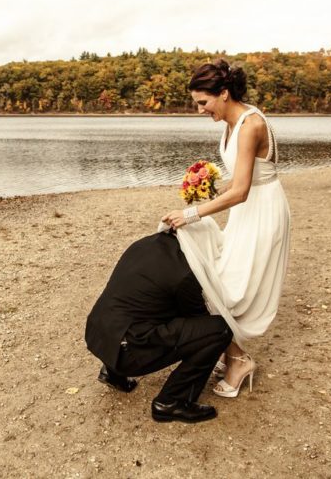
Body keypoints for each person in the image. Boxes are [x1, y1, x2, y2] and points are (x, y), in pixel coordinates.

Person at [160, 59, 291, 398]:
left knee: (228, 287)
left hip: (262, 211)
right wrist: (204, 188)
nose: (200, 110)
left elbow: (244, 189)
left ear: (224, 93)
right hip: (246, 209)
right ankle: (228, 352)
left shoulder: (250, 125)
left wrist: (192, 213)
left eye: (203, 102)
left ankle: (238, 360)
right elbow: (239, 181)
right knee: (216, 280)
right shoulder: (229, 123)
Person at [85, 231, 232, 424]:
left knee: (139, 308)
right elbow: (197, 319)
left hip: (98, 335)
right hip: (128, 351)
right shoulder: (185, 272)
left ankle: (113, 374)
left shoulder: (144, 243)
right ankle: (172, 402)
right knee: (218, 330)